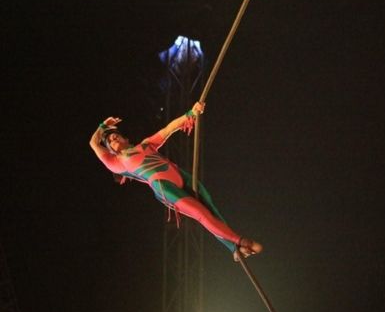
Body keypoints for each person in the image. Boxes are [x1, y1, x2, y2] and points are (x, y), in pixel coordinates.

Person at [89, 101, 262, 260]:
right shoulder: (117, 164)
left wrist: (191, 113)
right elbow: (93, 143)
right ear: (110, 150)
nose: (113, 138)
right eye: (109, 141)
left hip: (179, 175)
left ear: (126, 138)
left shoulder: (146, 144)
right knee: (201, 213)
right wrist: (103, 126)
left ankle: (234, 248)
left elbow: (168, 129)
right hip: (165, 188)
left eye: (115, 135)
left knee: (209, 205)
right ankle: (240, 241)